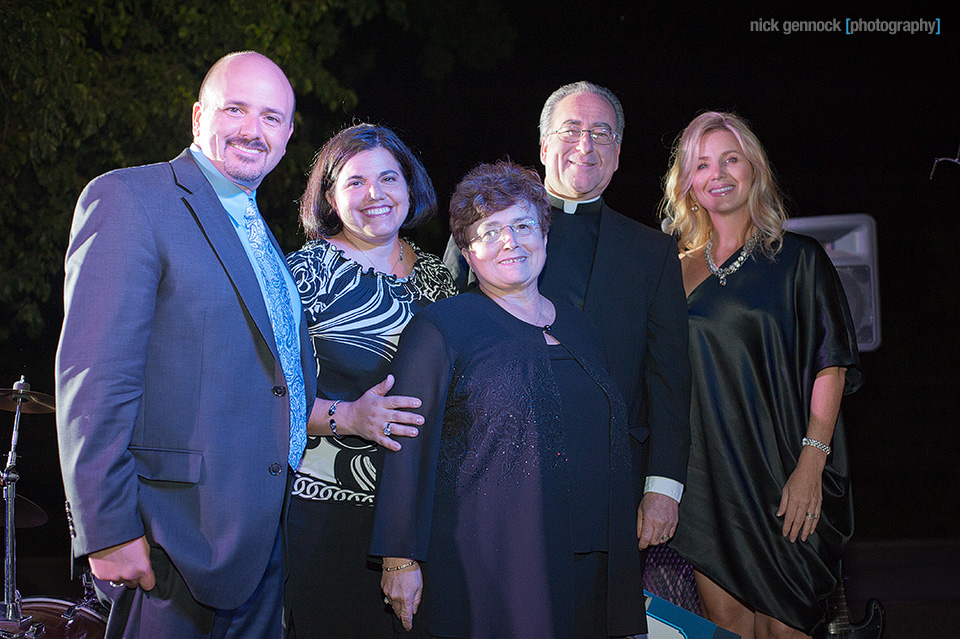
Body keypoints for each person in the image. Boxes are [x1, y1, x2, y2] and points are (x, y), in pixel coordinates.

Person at [55, 51, 316, 639]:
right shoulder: (130, 198)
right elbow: (94, 377)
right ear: (199, 116)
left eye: (272, 118)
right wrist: (109, 530)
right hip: (173, 540)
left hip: (261, 538)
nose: (253, 130)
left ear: (288, 133)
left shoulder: (255, 228)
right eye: (236, 110)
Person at [372, 161, 646, 638]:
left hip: (591, 559)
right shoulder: (441, 329)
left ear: (544, 233)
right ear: (467, 250)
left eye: (522, 225)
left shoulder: (581, 327)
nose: (510, 242)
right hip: (490, 564)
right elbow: (405, 447)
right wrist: (399, 558)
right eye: (490, 231)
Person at [445, 82, 690, 612]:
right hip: (499, 480)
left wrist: (663, 487)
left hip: (611, 488)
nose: (587, 144)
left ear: (619, 153)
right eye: (571, 130)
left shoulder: (652, 253)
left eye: (602, 133)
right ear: (542, 146)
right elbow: (448, 352)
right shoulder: (486, 234)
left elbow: (670, 379)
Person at [659, 111, 862, 639]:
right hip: (707, 483)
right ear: (688, 183)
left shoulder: (799, 259)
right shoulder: (671, 272)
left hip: (785, 476)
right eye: (701, 164)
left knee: (784, 626)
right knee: (729, 628)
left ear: (754, 169)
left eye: (730, 158)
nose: (718, 173)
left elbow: (830, 362)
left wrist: (810, 465)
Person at [284, 124, 457, 638]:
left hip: (421, 518)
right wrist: (348, 416)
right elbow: (260, 398)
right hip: (325, 518)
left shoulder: (438, 277)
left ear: (410, 186)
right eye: (355, 182)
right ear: (331, 197)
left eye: (388, 178)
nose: (375, 195)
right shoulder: (303, 274)